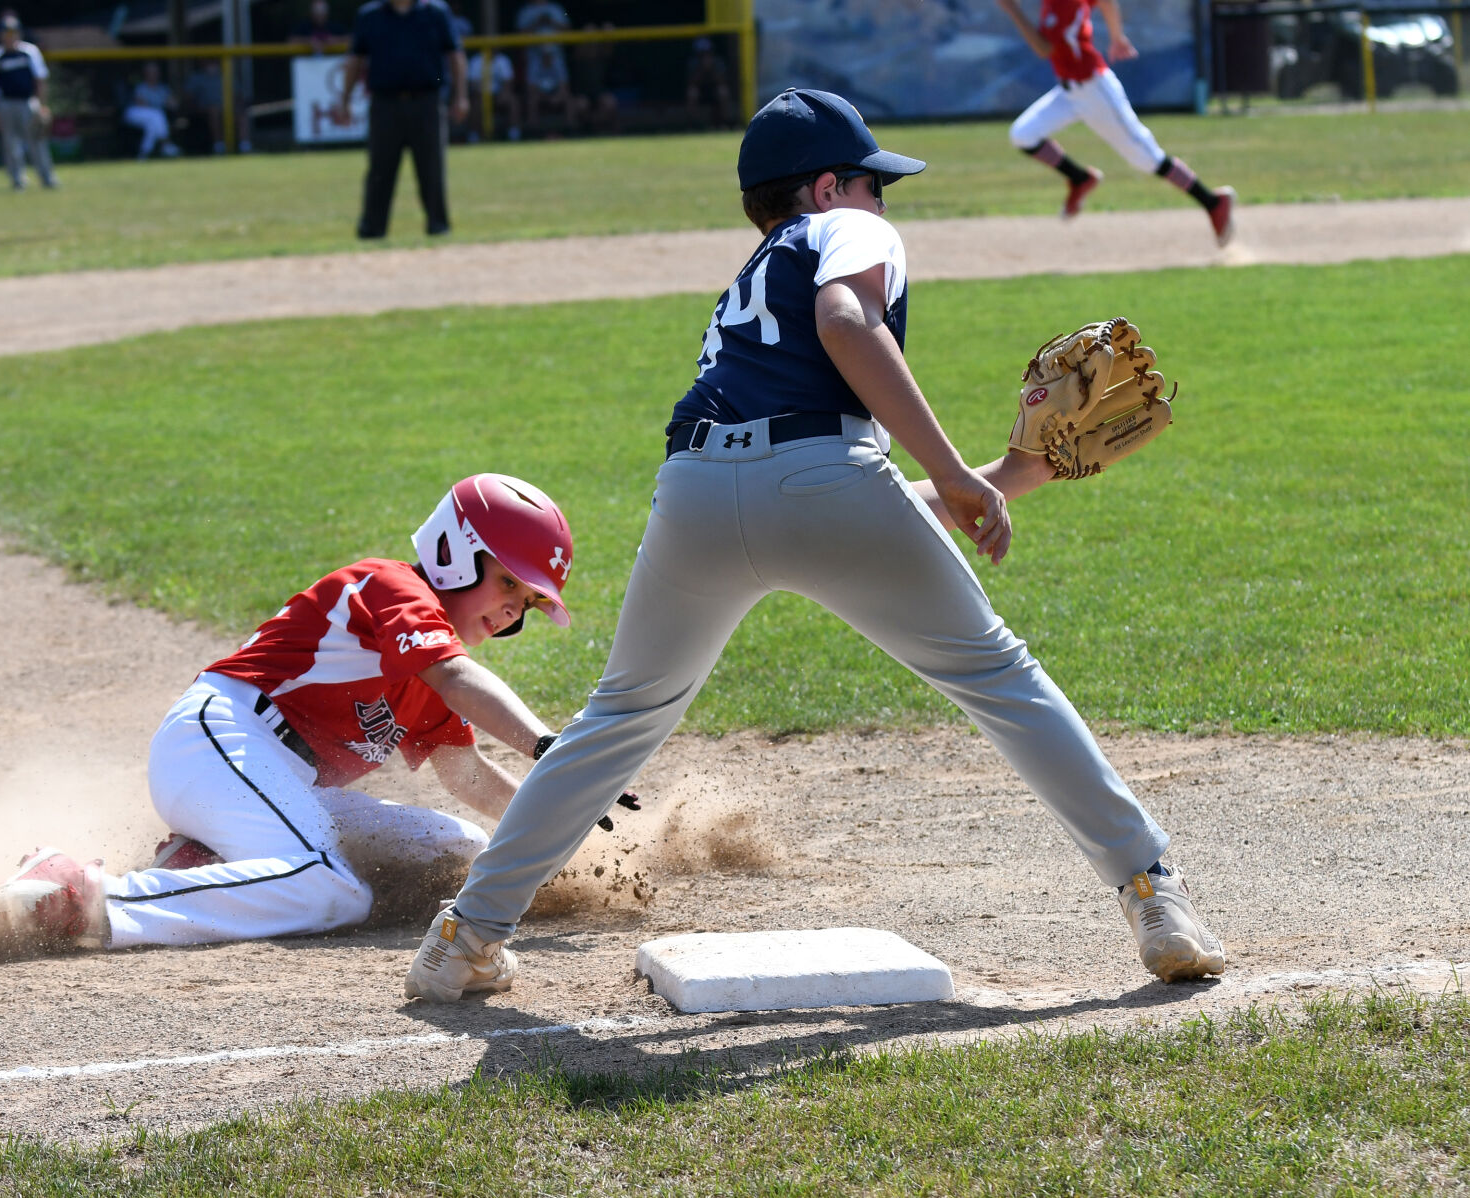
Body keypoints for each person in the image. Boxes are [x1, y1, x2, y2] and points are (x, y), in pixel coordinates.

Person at [403, 88, 1227, 1004]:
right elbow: (843, 352)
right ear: (828, 186)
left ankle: (464, 937)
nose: (884, 205)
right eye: (875, 186)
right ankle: (1154, 894)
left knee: (619, 719)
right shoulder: (845, 230)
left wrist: (1003, 473)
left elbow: (797, 480)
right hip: (827, 476)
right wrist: (955, 472)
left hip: (695, 496)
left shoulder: (747, 285)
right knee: (1001, 680)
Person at [0, 475, 644, 952]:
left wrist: (558, 825)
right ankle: (83, 895)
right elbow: (459, 678)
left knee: (461, 851)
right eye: (508, 583)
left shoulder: (435, 672)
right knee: (332, 891)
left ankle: (203, 864)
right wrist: (548, 745)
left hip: (270, 779)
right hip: (220, 741)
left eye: (526, 603)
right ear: (456, 549)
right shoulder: (395, 588)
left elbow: (467, 777)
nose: (511, 611)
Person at [996, 0, 1236, 244]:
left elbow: (1044, 49)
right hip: (1069, 92)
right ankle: (1080, 178)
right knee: (1023, 134)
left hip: (1094, 91)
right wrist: (1116, 36)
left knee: (1146, 158)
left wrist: (1012, 10)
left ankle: (1213, 202)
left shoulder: (1063, 4)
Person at [335, 0, 468, 238]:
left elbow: (455, 55)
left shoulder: (435, 12)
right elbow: (355, 59)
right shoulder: (370, 15)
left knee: (432, 169)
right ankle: (372, 229)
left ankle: (438, 226)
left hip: (426, 101)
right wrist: (344, 99)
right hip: (385, 103)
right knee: (379, 170)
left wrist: (461, 96)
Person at [0, 15, 59, 190]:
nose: (10, 36)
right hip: (6, 103)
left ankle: (47, 178)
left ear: (19, 33)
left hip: (28, 102)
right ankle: (17, 180)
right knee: (10, 144)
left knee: (37, 141)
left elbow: (40, 80)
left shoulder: (30, 51)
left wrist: (42, 105)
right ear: (0, 35)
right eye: (6, 32)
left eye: (13, 32)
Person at [516, 0, 578, 136]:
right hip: (534, 58)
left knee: (568, 99)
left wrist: (551, 22)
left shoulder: (556, 8)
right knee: (532, 100)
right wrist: (538, 22)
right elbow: (519, 36)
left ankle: (571, 133)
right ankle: (533, 134)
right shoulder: (525, 11)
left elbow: (569, 31)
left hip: (557, 56)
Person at [185, 59, 252, 154]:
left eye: (213, 62)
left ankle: (245, 146)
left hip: (228, 108)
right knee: (214, 110)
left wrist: (239, 105)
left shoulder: (226, 76)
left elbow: (239, 96)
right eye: (209, 62)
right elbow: (188, 98)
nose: (211, 65)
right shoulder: (196, 78)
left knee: (241, 113)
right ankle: (219, 145)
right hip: (205, 109)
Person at [124, 62, 180, 159]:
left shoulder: (163, 88)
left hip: (154, 117)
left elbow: (174, 104)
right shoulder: (141, 87)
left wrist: (172, 101)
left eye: (155, 72)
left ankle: (144, 154)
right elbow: (141, 104)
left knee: (152, 125)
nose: (153, 75)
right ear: (145, 74)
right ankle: (166, 143)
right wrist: (162, 103)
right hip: (134, 113)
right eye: (150, 72)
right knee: (157, 115)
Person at [685, 36, 733, 130]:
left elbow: (722, 81)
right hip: (700, 91)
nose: (705, 56)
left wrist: (711, 69)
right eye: (702, 54)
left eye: (707, 52)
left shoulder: (718, 62)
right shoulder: (693, 63)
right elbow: (691, 83)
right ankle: (693, 125)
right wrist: (701, 70)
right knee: (692, 92)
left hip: (714, 91)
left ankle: (724, 122)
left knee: (723, 91)